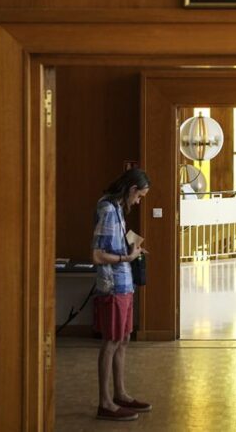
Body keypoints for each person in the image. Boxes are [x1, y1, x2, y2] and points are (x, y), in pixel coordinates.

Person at [91, 168, 152, 422]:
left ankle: (120, 394)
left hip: (125, 284)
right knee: (112, 341)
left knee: (123, 339)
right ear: (132, 189)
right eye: (139, 196)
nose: (138, 202)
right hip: (113, 286)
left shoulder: (117, 207)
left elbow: (118, 238)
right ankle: (105, 402)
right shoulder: (107, 208)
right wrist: (127, 257)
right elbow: (97, 255)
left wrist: (134, 246)